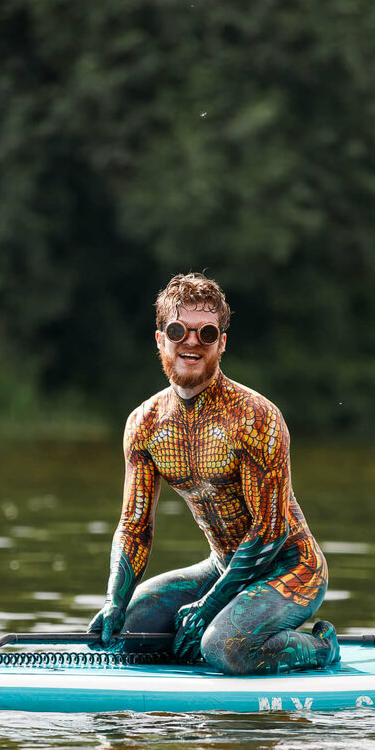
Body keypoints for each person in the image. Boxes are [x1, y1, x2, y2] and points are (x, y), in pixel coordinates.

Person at [87, 273, 338, 675]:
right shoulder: (145, 423)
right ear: (159, 340)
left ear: (221, 342)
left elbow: (270, 532)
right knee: (132, 632)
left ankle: (319, 647)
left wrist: (210, 605)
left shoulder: (256, 417)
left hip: (290, 568)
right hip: (222, 567)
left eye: (205, 333)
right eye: (177, 330)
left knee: (224, 647)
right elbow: (134, 528)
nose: (191, 342)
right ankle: (206, 641)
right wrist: (113, 599)